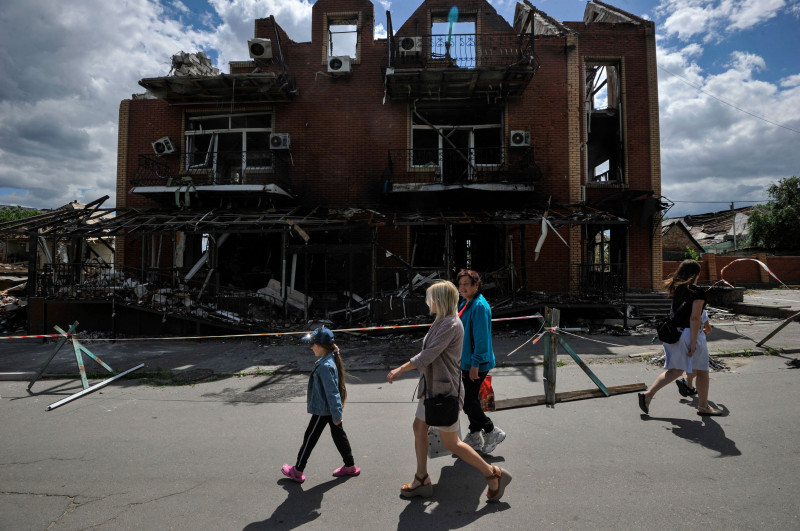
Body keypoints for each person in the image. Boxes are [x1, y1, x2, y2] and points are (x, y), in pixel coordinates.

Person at [387, 280, 512, 502]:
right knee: (419, 427)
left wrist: (400, 369)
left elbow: (428, 355)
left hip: (444, 391)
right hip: (432, 388)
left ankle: (493, 474)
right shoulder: (441, 321)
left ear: (440, 300)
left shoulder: (451, 324)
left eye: (431, 298)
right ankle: (422, 478)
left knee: (451, 443)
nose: (428, 302)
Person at [638, 260, 723, 416]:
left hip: (675, 334)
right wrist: (693, 341)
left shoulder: (677, 289)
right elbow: (695, 318)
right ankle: (703, 407)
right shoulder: (697, 292)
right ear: (697, 274)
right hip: (690, 334)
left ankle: (647, 395)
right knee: (703, 371)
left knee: (675, 371)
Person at [281, 326, 361, 483]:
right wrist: (336, 414)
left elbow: (332, 393)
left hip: (323, 410)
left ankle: (297, 471)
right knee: (339, 436)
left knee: (309, 438)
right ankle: (350, 466)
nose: (311, 347)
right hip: (328, 409)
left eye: (313, 344)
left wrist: (337, 415)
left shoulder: (325, 365)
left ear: (320, 346)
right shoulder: (330, 358)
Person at [455, 269, 506, 454]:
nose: (462, 288)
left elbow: (482, 339)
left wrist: (475, 363)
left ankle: (492, 431)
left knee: (468, 401)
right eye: (460, 284)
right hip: (467, 361)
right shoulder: (466, 303)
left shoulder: (479, 306)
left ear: (477, 285)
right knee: (470, 399)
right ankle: (475, 435)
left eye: (466, 284)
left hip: (477, 363)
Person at [676, 310, 712, 397]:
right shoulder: (701, 310)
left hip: (682, 338)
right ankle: (685, 380)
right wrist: (704, 331)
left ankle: (690, 387)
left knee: (690, 364)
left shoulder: (683, 309)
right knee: (701, 369)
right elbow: (708, 329)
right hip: (697, 340)